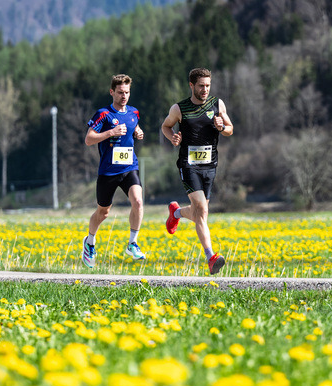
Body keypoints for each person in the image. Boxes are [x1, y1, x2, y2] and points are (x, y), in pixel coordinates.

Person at [161, 67, 234, 275]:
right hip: (188, 164)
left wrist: (221, 127)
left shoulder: (217, 104)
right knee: (202, 210)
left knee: (198, 212)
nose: (205, 90)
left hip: (210, 165)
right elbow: (165, 126)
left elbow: (230, 129)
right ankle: (211, 257)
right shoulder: (179, 108)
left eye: (208, 86)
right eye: (201, 86)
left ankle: (175, 212)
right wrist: (172, 137)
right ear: (191, 85)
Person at [82, 74, 147, 268]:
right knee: (103, 212)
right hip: (108, 172)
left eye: (127, 92)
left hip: (129, 167)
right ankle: (89, 243)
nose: (124, 96)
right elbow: (89, 139)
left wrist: (138, 132)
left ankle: (132, 243)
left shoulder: (134, 112)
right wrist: (111, 132)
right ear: (112, 92)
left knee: (138, 201)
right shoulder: (103, 114)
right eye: (120, 92)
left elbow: (133, 124)